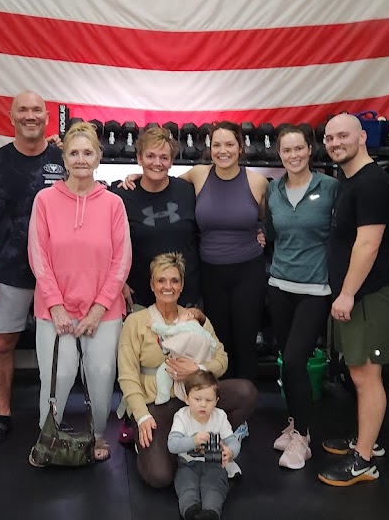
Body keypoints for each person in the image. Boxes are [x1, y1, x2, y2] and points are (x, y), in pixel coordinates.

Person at [123, 122, 268, 382]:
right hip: (204, 275)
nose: (223, 150)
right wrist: (136, 176)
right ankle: (212, 398)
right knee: (216, 341)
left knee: (242, 342)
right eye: (217, 145)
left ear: (241, 147)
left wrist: (262, 232)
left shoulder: (257, 182)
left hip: (235, 274)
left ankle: (241, 402)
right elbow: (158, 177)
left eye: (229, 144)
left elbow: (266, 218)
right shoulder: (198, 175)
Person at [28, 121, 132, 463]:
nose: (81, 159)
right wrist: (56, 305)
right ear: (64, 158)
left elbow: (121, 259)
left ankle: (97, 434)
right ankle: (49, 434)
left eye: (88, 153)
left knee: (101, 375)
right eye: (74, 153)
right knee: (58, 375)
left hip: (103, 310)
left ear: (98, 158)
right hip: (54, 309)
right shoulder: (45, 200)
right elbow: (38, 255)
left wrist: (99, 309)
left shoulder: (113, 203)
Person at [0, 90, 66, 445]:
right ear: (11, 117)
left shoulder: (63, 159)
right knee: (1, 345)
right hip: (7, 270)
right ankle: (3, 414)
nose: (30, 115)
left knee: (59, 348)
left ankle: (54, 414)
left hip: (57, 273)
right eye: (22, 110)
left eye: (36, 109)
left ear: (47, 117)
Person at [117, 252, 258, 488]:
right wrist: (141, 416)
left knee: (246, 392)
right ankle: (162, 449)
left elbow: (221, 359)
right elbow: (127, 375)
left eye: (174, 280)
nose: (168, 287)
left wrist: (197, 368)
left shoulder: (195, 319)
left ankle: (209, 444)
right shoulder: (136, 322)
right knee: (160, 477)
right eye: (161, 280)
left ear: (182, 285)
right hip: (156, 404)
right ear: (152, 285)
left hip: (194, 399)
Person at [316, 113, 389, 487]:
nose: (335, 143)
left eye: (343, 136)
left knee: (366, 376)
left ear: (363, 137)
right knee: (358, 372)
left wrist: (348, 293)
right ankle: (366, 441)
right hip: (357, 294)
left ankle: (364, 460)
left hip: (369, 294)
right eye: (330, 138)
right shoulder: (350, 181)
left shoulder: (372, 183)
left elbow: (368, 244)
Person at [263, 125, 340, 470]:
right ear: (279, 154)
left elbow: (342, 235)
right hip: (279, 286)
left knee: (295, 361)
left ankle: (303, 438)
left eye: (298, 148)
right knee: (286, 360)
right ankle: (294, 423)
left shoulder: (330, 187)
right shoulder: (273, 189)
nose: (293, 155)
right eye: (286, 150)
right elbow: (270, 232)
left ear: (310, 149)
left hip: (315, 290)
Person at [111, 126, 200, 310]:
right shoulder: (122, 197)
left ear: (172, 161)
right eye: (150, 156)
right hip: (140, 298)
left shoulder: (188, 191)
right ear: (139, 158)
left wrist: (255, 230)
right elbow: (109, 246)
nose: (157, 163)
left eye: (164, 157)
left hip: (186, 298)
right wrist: (120, 283)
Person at [168, 370, 240, 520]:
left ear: (216, 401)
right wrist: (193, 441)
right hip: (187, 464)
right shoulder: (182, 416)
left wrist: (231, 452)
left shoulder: (220, 417)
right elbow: (173, 445)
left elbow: (232, 440)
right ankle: (190, 510)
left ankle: (211, 513)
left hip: (214, 463)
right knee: (186, 486)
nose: (203, 404)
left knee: (215, 487)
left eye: (209, 400)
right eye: (197, 399)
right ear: (187, 399)